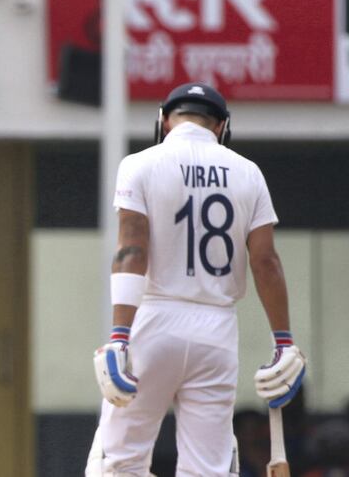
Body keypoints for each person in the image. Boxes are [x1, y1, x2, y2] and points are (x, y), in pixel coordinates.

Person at [85, 82, 306, 476]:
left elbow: (132, 249)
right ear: (221, 126)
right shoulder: (248, 172)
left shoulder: (141, 163)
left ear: (165, 121)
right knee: (209, 469)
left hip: (153, 319)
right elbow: (266, 262)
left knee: (119, 463)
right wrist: (284, 343)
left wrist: (120, 335)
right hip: (216, 330)